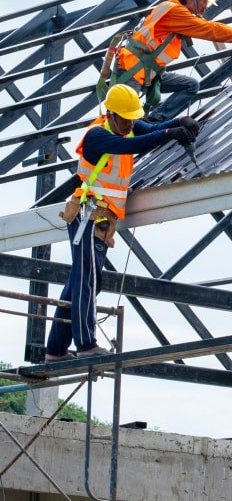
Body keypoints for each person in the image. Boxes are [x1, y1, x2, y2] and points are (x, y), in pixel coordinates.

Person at [45, 84, 200, 362]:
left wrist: (177, 122)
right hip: (89, 215)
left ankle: (55, 350)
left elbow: (146, 130)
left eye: (131, 118)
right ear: (111, 113)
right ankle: (85, 344)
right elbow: (134, 144)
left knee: (80, 282)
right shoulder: (98, 135)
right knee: (88, 281)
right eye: (125, 117)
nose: (129, 123)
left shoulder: (125, 125)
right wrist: (168, 134)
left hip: (102, 219)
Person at [105, 0, 232, 121]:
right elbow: (209, 30)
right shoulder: (175, 12)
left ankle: (154, 121)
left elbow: (204, 27)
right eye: (204, 1)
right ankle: (140, 133)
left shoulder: (173, 10)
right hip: (132, 70)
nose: (205, 7)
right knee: (123, 122)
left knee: (190, 85)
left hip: (147, 72)